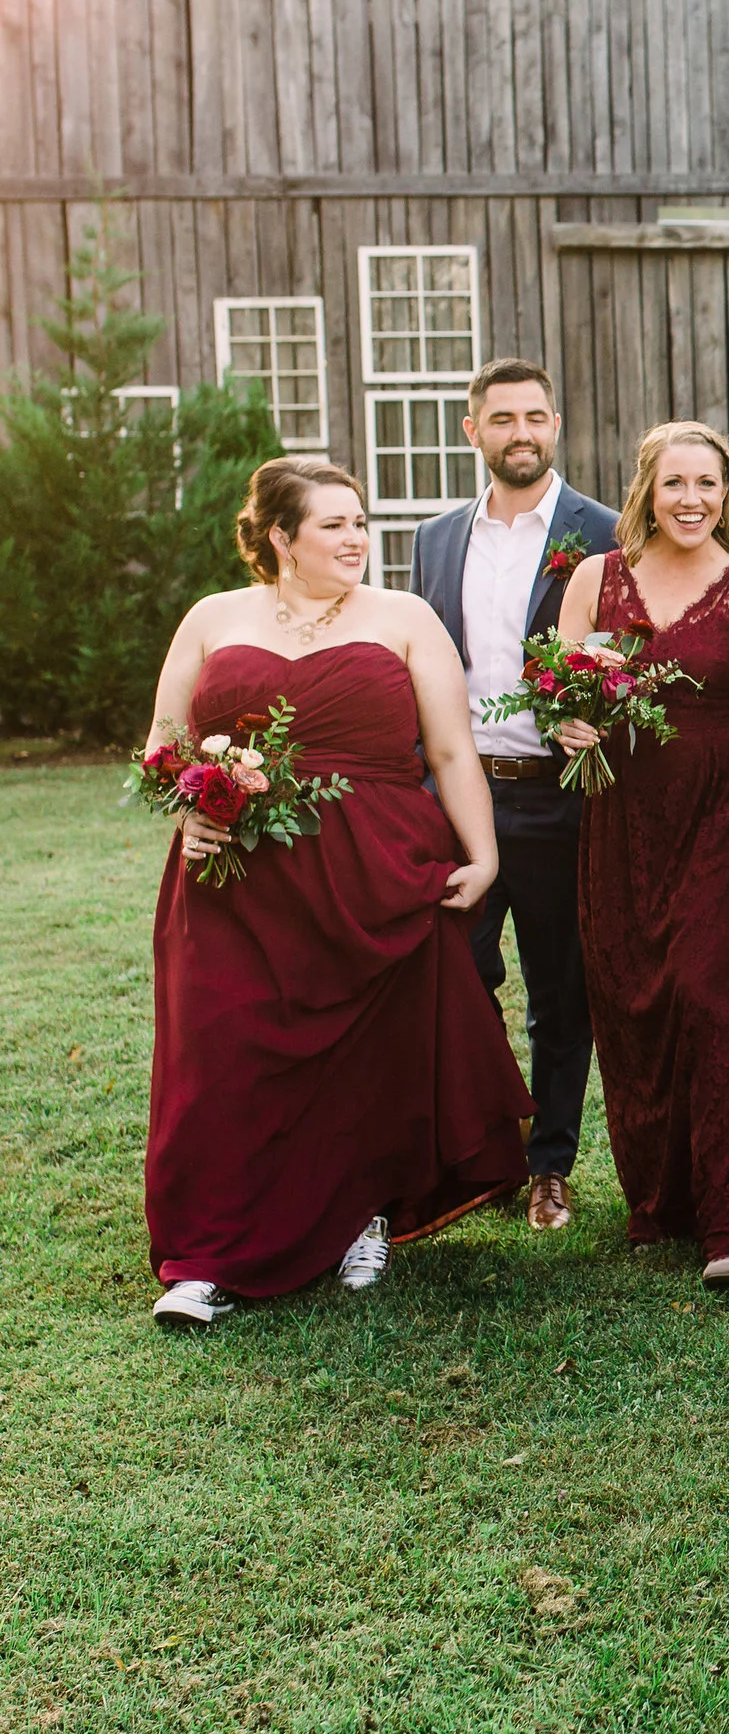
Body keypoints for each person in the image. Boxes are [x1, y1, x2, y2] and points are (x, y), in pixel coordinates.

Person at [145, 458, 533, 1325]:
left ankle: (365, 1216)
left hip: (376, 872)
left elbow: (450, 752)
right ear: (280, 537)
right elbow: (165, 742)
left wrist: (483, 854)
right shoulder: (214, 618)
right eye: (333, 525)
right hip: (235, 877)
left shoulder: (404, 618)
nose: (357, 538)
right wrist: (185, 808)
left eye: (359, 523)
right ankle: (205, 1259)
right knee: (224, 1056)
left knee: (369, 1060)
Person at [553, 422, 729, 1285]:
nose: (690, 500)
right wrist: (567, 722)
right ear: (646, 492)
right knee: (633, 997)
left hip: (723, 810)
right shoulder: (595, 579)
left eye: (707, 484)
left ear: (728, 492)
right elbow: (565, 688)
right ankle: (658, 1200)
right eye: (674, 484)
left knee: (713, 996)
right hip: (620, 810)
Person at [411, 358, 618, 1233]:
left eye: (535, 416)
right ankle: (485, 1151)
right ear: (474, 431)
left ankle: (550, 1168)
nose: (520, 433)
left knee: (561, 989)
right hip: (458, 798)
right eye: (502, 419)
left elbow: (632, 656)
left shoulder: (603, 531)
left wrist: (609, 716)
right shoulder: (434, 539)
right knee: (453, 974)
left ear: (557, 423)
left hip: (561, 796)